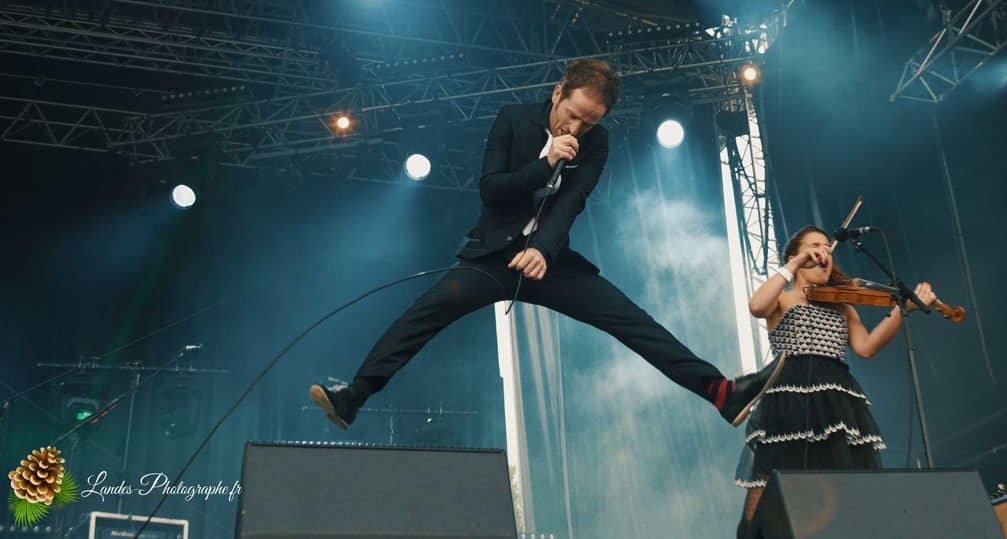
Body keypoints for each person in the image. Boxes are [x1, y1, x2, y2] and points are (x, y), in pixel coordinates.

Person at [310, 58, 783, 431]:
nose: (576, 129)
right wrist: (546, 161)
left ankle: (720, 392)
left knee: (630, 320)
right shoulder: (512, 119)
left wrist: (542, 250)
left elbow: (572, 201)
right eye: (572, 115)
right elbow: (492, 189)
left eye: (588, 123)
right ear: (558, 94)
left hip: (548, 262)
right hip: (491, 257)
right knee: (426, 313)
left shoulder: (597, 143)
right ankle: (354, 396)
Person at [734, 225, 937, 537]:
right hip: (789, 397)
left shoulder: (842, 305)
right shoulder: (783, 300)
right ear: (796, 257)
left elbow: (866, 347)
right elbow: (756, 306)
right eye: (814, 247)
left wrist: (902, 310)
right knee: (767, 481)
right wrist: (795, 263)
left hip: (835, 398)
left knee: (843, 480)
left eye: (826, 248)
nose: (823, 252)